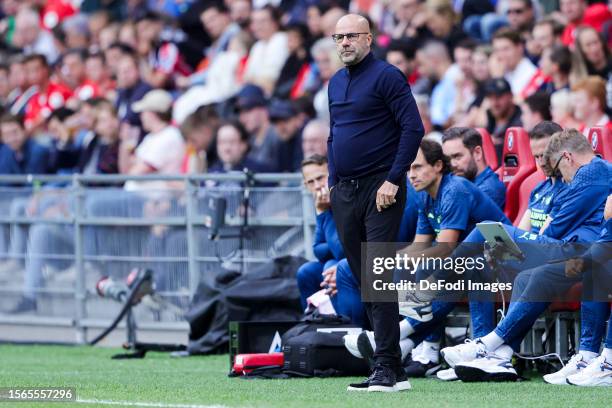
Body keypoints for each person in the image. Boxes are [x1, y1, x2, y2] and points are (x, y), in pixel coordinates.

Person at [435, 129, 611, 381]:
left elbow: (555, 229)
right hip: (578, 251)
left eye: (557, 167)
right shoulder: (590, 174)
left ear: (567, 157)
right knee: (529, 276)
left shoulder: (590, 174)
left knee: (486, 231)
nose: (560, 176)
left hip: (579, 251)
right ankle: (500, 356)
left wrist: (516, 249)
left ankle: (478, 340)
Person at [327, 14, 424, 392]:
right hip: (345, 191)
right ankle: (391, 369)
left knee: (377, 276)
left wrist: (393, 179)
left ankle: (386, 366)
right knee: (364, 277)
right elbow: (334, 134)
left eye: (352, 35)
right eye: (339, 37)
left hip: (381, 188)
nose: (345, 42)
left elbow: (413, 127)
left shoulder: (387, 76)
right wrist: (333, 183)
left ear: (369, 38)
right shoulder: (335, 82)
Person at [296, 154, 345, 310]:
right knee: (305, 271)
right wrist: (322, 212)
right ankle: (312, 321)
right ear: (306, 185)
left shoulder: (343, 198)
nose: (317, 186)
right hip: (339, 261)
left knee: (329, 266)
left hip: (360, 263)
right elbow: (318, 250)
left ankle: (339, 324)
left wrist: (323, 213)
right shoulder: (322, 204)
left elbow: (341, 252)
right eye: (311, 182)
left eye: (320, 178)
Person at [515, 121, 567, 234]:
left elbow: (543, 239)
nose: (541, 163)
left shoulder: (569, 189)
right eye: (536, 157)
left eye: (544, 155)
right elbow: (520, 233)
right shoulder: (539, 189)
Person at [441, 127, 506, 209]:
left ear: (477, 153)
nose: (452, 164)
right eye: (448, 159)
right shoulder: (462, 183)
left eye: (457, 156)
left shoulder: (488, 190)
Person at [483, 78, 522, 161]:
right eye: (490, 98)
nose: (494, 103)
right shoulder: (490, 118)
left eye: (498, 97)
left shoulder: (521, 120)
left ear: (510, 96)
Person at [491, 28, 537, 97]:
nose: (501, 55)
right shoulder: (502, 71)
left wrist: (498, 79)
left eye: (505, 49)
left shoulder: (531, 73)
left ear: (519, 48)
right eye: (497, 50)